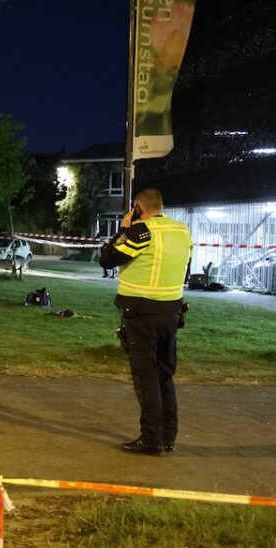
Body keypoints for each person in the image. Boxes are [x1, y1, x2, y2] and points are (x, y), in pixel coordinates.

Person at [98, 188, 193, 456]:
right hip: (171, 313)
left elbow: (108, 259)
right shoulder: (181, 231)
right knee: (164, 374)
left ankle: (150, 439)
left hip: (142, 314)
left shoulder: (141, 233)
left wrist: (123, 229)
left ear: (137, 208)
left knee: (146, 378)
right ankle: (167, 435)